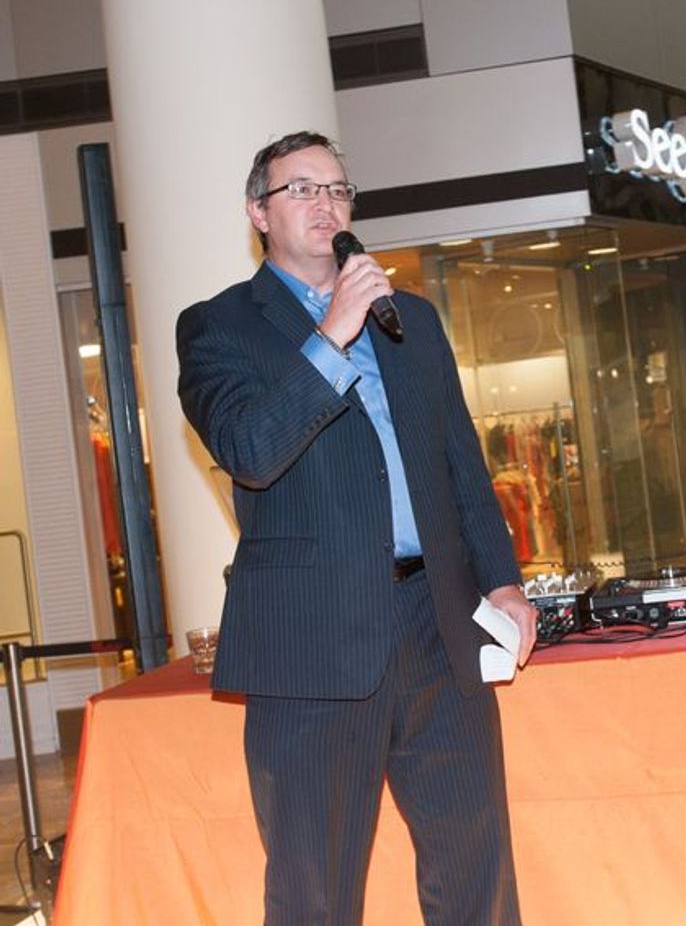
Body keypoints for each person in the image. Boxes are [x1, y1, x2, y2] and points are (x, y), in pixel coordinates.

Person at [176, 130, 537, 924]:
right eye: (301, 189)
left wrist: (504, 583)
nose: (325, 204)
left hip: (437, 626)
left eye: (337, 190)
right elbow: (250, 451)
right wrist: (330, 334)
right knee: (317, 891)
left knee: (476, 870)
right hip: (314, 644)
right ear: (257, 212)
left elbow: (461, 466)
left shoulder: (411, 319)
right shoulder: (217, 328)